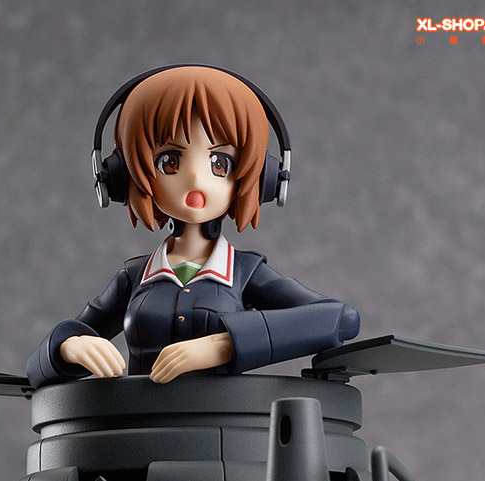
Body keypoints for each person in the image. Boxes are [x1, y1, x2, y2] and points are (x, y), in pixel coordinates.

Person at [27, 66, 359, 389]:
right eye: (170, 161)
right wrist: (70, 346)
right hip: (134, 421)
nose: (195, 178)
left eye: (220, 163)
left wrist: (227, 343)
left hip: (221, 424)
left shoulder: (244, 272)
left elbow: (340, 318)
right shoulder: (134, 277)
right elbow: (36, 368)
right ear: (125, 173)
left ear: (261, 178)